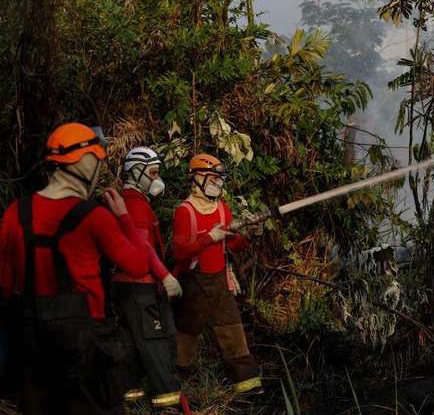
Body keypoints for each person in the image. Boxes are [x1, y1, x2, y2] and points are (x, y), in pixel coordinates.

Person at [0, 122, 150, 414]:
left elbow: (5, 286)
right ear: (87, 161)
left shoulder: (15, 213)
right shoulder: (95, 217)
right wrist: (123, 217)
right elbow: (138, 265)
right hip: (86, 344)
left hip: (31, 341)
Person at [172, 153, 263, 395]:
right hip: (193, 284)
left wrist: (249, 236)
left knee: (233, 331)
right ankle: (178, 388)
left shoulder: (222, 209)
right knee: (185, 336)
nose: (217, 184)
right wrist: (208, 237)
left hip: (219, 282)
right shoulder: (185, 211)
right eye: (212, 178)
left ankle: (247, 386)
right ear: (196, 178)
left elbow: (231, 245)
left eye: (220, 179)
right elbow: (180, 252)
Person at [115, 147, 191, 414]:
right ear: (136, 171)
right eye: (154, 172)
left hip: (124, 287)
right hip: (140, 286)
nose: (158, 179)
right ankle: (168, 403)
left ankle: (130, 398)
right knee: (157, 344)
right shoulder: (136, 206)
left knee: (129, 344)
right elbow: (142, 247)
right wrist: (164, 275)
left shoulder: (128, 201)